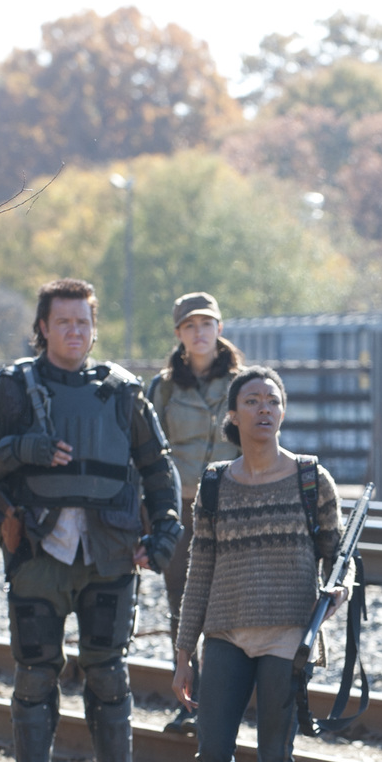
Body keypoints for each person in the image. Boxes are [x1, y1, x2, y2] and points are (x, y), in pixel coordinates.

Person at [0, 278, 182, 762]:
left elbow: (157, 466)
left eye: (83, 322)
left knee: (108, 669)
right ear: (42, 328)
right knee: (35, 671)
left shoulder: (124, 390)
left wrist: (168, 526)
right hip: (37, 548)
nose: (74, 331)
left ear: (94, 328)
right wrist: (19, 448)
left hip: (111, 550)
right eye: (63, 322)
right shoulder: (13, 387)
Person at [171, 367, 345, 762]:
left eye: (273, 400)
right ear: (234, 414)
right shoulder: (216, 484)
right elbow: (200, 569)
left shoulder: (311, 480)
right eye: (253, 400)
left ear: (283, 411)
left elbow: (339, 560)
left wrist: (337, 596)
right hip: (225, 634)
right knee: (212, 755)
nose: (264, 409)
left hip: (285, 638)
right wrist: (183, 652)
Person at [147, 291, 242, 728]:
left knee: (231, 602)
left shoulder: (244, 383)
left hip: (234, 504)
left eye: (206, 324)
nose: (199, 333)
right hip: (181, 506)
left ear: (219, 329)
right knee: (181, 604)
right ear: (179, 334)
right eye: (190, 326)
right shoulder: (163, 388)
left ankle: (225, 702)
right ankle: (190, 701)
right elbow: (149, 455)